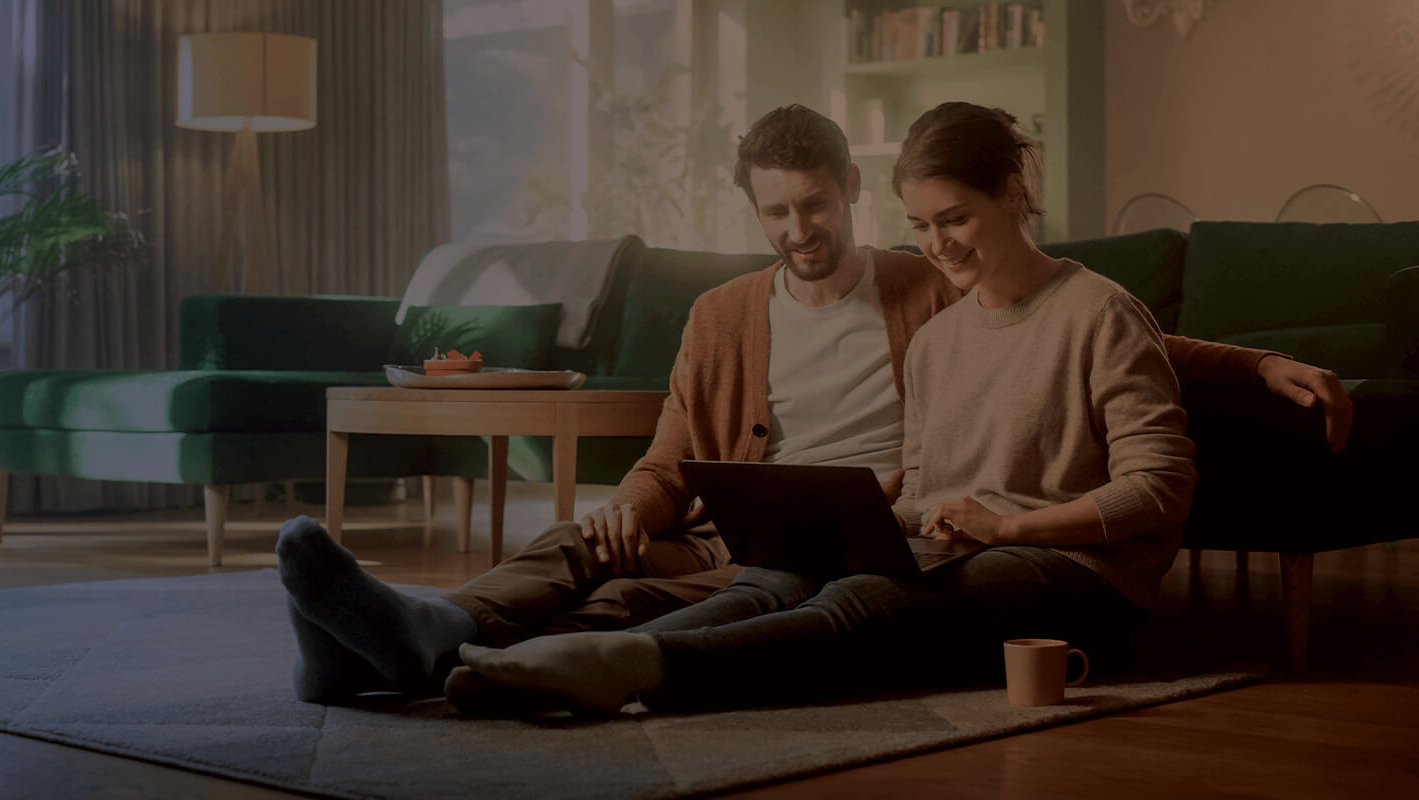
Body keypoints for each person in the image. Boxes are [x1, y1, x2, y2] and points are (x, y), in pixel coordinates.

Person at [274, 103, 1353, 704]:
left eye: (817, 204)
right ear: (755, 213)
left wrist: (1253, 362)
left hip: (921, 537)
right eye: (777, 212)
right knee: (588, 552)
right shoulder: (736, 315)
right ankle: (419, 635)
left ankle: (556, 664)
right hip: (778, 527)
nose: (800, 228)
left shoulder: (930, 290)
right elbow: (672, 453)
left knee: (779, 603)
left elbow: (1103, 340)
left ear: (846, 191)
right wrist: (638, 508)